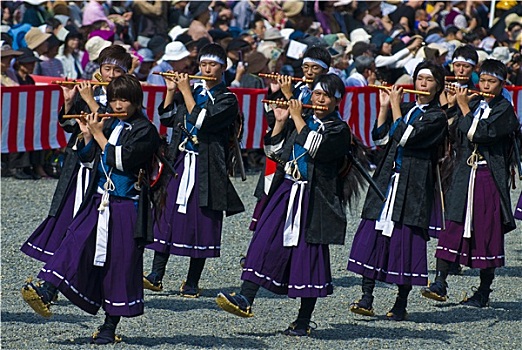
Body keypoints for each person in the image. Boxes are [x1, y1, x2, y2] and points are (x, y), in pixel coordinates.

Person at [216, 74, 359, 336]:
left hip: (314, 199)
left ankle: (303, 321)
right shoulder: (302, 121)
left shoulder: (339, 129)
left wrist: (294, 111)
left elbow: (313, 146)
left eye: (326, 96)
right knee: (262, 240)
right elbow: (275, 154)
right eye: (316, 94)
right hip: (287, 190)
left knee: (308, 258)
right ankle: (246, 298)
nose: (319, 99)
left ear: (337, 101)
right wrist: (281, 123)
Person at [22, 74, 161, 345]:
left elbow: (122, 160)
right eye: (113, 99)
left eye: (124, 99)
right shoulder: (113, 124)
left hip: (125, 205)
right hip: (98, 199)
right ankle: (47, 290)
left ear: (136, 100)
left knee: (119, 265)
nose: (118, 104)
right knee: (74, 242)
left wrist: (98, 133)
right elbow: (89, 158)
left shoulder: (145, 129)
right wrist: (87, 136)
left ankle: (109, 326)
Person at [20, 45, 133, 313]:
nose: (111, 74)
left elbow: (113, 127)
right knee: (69, 223)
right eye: (107, 69)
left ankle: (55, 284)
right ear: (99, 68)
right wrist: (70, 101)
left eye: (118, 70)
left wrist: (92, 101)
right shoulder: (89, 91)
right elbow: (71, 126)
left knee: (83, 230)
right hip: (81, 168)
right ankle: (54, 283)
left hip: (105, 177)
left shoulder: (126, 97)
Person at [347, 61, 448, 321]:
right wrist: (383, 108)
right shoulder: (405, 108)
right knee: (373, 236)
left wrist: (394, 106)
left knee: (406, 243)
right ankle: (367, 297)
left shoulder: (437, 117)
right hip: (387, 180)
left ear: (438, 86)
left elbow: (405, 137)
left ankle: (400, 303)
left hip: (413, 186)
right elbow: (380, 140)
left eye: (428, 80)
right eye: (420, 79)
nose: (422, 84)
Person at [143, 43, 245, 297]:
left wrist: (186, 92)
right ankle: (156, 274)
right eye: (203, 64)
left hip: (207, 165)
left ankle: (192, 281)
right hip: (180, 160)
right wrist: (170, 91)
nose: (206, 69)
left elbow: (204, 120)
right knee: (166, 213)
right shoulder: (193, 91)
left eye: (212, 65)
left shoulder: (227, 99)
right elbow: (167, 119)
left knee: (202, 220)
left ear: (223, 68)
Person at [421, 59, 519, 308]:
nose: (486, 85)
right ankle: (440, 281)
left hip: (488, 176)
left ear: (501, 84)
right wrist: (453, 107)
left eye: (492, 82)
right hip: (464, 173)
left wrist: (463, 108)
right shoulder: (473, 103)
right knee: (452, 223)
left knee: (487, 230)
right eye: (483, 80)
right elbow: (455, 134)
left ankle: (484, 291)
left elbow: (480, 133)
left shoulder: (505, 110)